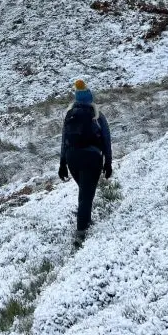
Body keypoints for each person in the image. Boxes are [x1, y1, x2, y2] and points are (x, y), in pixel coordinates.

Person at [58, 79, 113, 241]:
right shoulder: (97, 115)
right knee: (86, 196)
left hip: (72, 158)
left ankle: (85, 220)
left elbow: (64, 140)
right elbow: (106, 140)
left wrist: (62, 163)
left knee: (85, 192)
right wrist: (108, 163)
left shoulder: (70, 114)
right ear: (90, 98)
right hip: (92, 157)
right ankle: (81, 233)